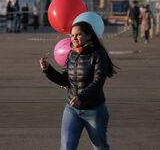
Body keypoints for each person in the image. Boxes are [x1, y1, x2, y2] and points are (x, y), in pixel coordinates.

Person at [39, 20, 117, 150]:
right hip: (71, 109)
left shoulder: (98, 54)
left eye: (78, 35)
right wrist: (48, 70)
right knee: (67, 147)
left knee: (100, 147)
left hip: (94, 110)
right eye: (72, 35)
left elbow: (98, 82)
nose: (74, 38)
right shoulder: (71, 54)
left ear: (89, 35)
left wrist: (81, 97)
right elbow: (64, 80)